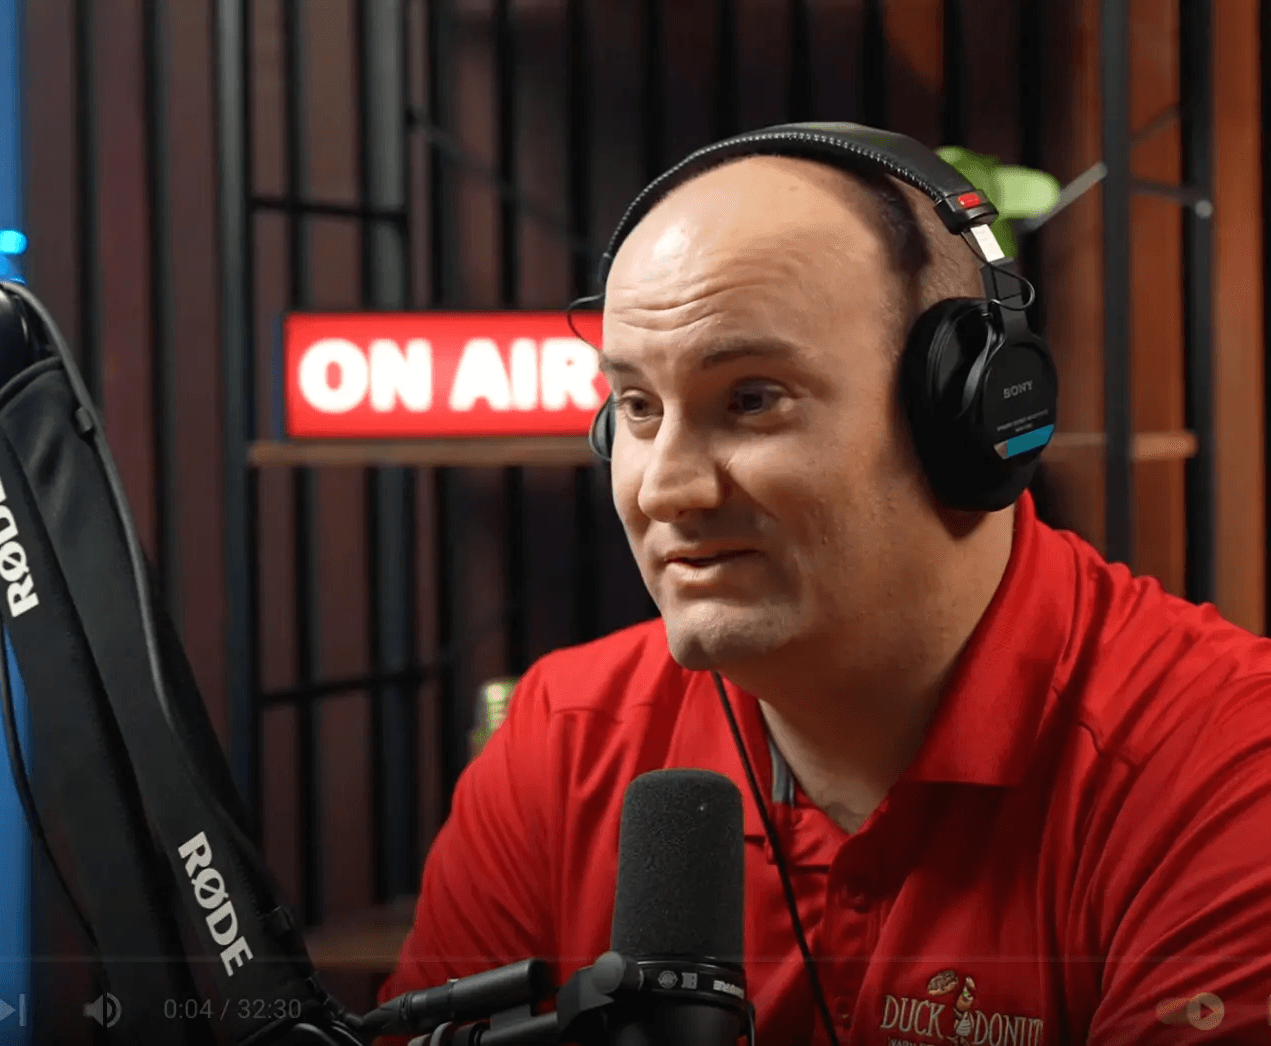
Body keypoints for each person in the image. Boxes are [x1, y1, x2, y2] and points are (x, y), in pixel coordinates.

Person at [375, 130, 1271, 1045]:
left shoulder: (1227, 771)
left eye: (752, 399)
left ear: (967, 416)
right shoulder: (564, 737)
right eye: (637, 407)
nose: (663, 489)